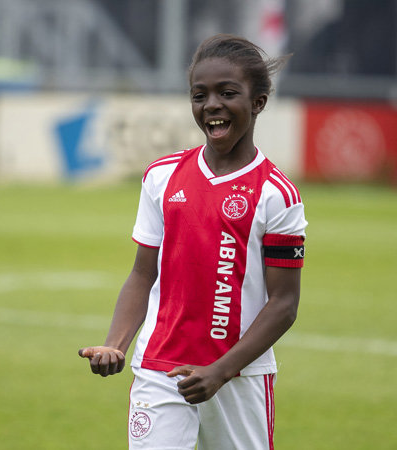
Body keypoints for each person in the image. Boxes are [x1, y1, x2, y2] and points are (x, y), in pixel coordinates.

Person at [78, 34, 306, 449]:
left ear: (258, 103)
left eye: (227, 92)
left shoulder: (277, 194)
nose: (212, 105)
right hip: (159, 368)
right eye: (199, 95)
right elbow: (141, 274)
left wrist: (221, 370)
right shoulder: (162, 177)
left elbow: (284, 305)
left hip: (240, 376)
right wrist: (115, 344)